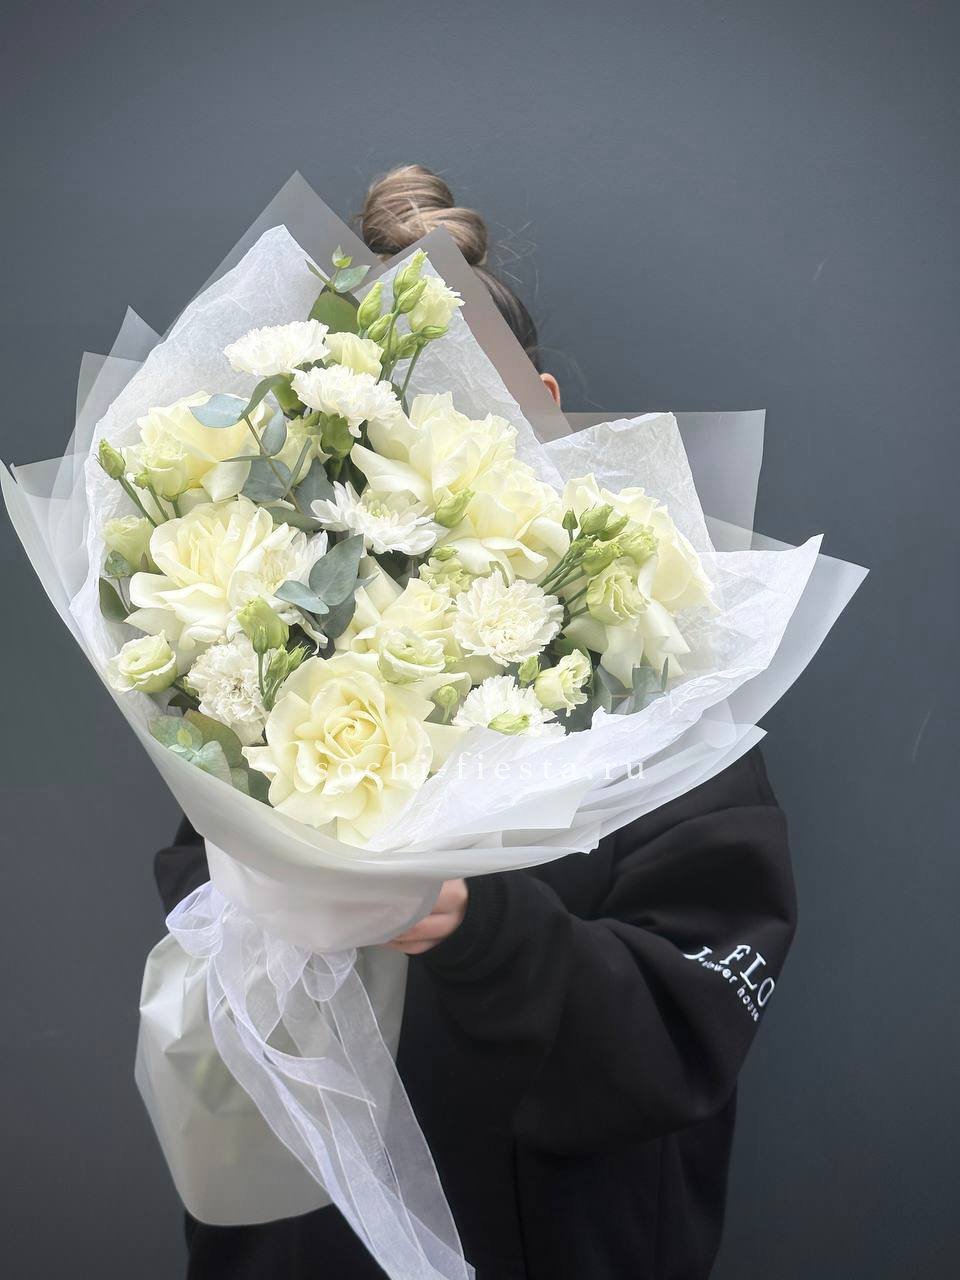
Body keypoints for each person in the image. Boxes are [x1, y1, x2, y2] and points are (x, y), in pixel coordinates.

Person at [154, 165, 796, 1280]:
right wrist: (273, 887)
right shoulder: (261, 667)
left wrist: (470, 920)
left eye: (468, 406)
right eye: (387, 415)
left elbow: (685, 1030)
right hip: (307, 1239)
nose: (424, 458)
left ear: (542, 402)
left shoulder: (667, 689)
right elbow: (194, 899)